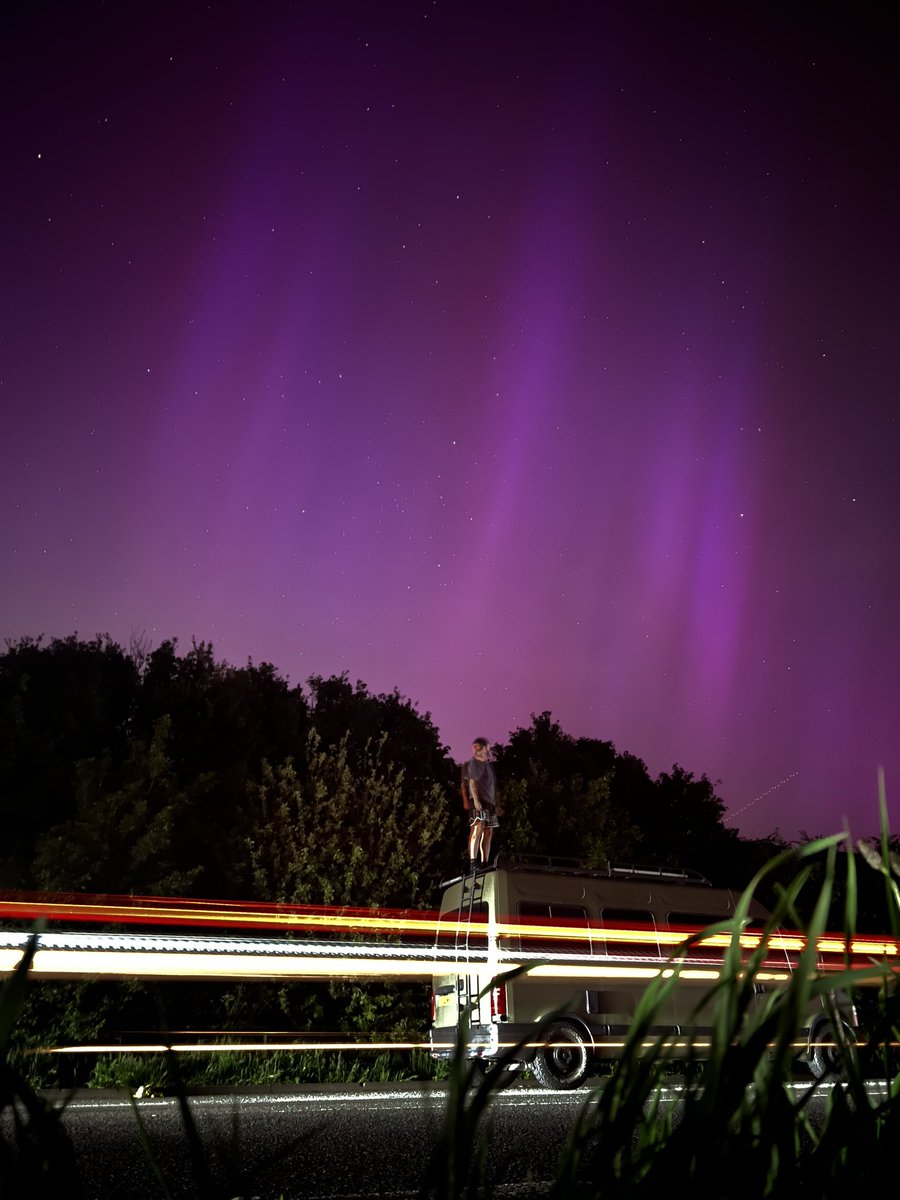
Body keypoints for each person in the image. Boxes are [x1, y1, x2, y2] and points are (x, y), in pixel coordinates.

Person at [464, 737, 498, 870]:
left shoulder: (488, 765)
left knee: (488, 831)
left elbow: (492, 785)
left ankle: (485, 863)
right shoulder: (474, 763)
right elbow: (472, 782)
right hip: (479, 800)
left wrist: (496, 803)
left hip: (490, 802)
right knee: (478, 828)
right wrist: (476, 800)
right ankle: (473, 863)